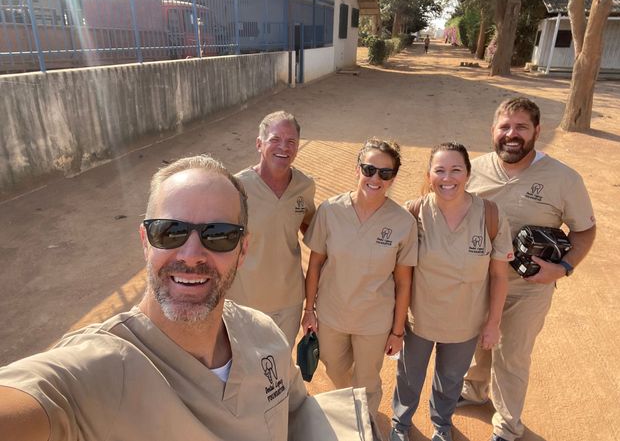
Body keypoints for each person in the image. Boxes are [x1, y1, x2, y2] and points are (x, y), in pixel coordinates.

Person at [0, 155, 371, 441]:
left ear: (243, 250)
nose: (192, 253)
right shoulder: (99, 369)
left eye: (219, 234)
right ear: (146, 242)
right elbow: (36, 396)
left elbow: (297, 411)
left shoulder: (264, 336)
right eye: (170, 231)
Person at [458, 98, 596, 441]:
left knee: (512, 354)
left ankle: (507, 425)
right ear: (493, 131)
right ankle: (475, 391)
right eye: (505, 127)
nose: (512, 135)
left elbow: (585, 229)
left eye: (521, 127)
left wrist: (563, 267)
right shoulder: (473, 170)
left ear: (537, 130)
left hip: (529, 285)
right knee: (478, 340)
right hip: (479, 280)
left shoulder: (563, 178)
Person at [389, 142, 512, 441]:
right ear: (429, 175)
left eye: (456, 169)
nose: (448, 178)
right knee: (409, 376)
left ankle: (441, 424)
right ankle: (400, 424)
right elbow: (394, 270)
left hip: (465, 321)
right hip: (420, 318)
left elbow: (499, 275)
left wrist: (492, 323)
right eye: (440, 170)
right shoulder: (413, 212)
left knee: (452, 379)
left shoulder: (490, 216)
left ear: (468, 174)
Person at [302, 138, 418, 417]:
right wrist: (309, 310)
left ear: (393, 178)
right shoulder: (331, 210)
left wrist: (398, 331)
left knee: (367, 383)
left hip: (374, 321)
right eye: (368, 169)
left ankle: (365, 424)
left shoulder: (403, 222)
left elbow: (404, 282)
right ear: (357, 170)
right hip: (331, 314)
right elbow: (315, 263)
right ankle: (347, 415)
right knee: (335, 370)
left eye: (384, 173)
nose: (375, 178)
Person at [228, 111, 315, 348]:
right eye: (275, 140)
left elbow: (312, 229)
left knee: (280, 367)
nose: (283, 148)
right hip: (245, 300)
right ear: (259, 144)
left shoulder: (304, 186)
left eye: (291, 142)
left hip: (289, 300)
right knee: (246, 368)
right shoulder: (236, 187)